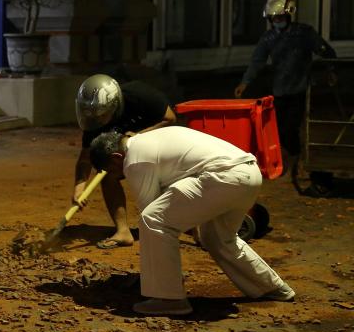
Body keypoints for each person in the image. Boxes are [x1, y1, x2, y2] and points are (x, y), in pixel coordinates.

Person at [89, 126, 296, 316]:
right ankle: (273, 288)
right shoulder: (149, 140)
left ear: (117, 158)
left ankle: (169, 298)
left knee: (153, 220)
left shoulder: (134, 159)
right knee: (217, 238)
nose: (117, 177)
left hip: (223, 177)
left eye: (113, 172)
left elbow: (152, 213)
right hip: (247, 173)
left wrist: (151, 274)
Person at [234, 0, 336, 180]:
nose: (277, 21)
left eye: (280, 18)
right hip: (279, 89)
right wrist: (245, 82)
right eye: (274, 18)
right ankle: (286, 160)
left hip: (300, 89)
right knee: (278, 128)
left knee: (292, 126)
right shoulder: (269, 38)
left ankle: (296, 159)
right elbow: (257, 60)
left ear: (288, 16)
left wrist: (331, 70)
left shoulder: (304, 33)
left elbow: (326, 51)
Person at [73, 74, 176, 248]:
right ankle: (123, 231)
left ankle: (191, 227)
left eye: (101, 116)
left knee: (169, 180)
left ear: (115, 106)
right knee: (105, 171)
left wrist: (138, 137)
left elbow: (170, 119)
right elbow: (85, 157)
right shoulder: (93, 119)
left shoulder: (141, 95)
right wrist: (79, 186)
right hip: (123, 154)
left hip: (158, 147)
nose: (97, 121)